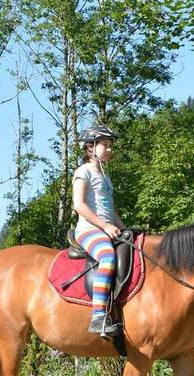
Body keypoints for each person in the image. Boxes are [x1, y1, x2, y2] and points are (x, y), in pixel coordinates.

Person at [71, 125, 126, 338]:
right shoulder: (82, 171)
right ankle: (99, 316)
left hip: (107, 228)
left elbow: (110, 210)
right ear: (90, 147)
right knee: (108, 257)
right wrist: (105, 226)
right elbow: (79, 205)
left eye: (111, 145)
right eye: (105, 145)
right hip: (88, 230)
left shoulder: (105, 175)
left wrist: (124, 228)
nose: (110, 149)